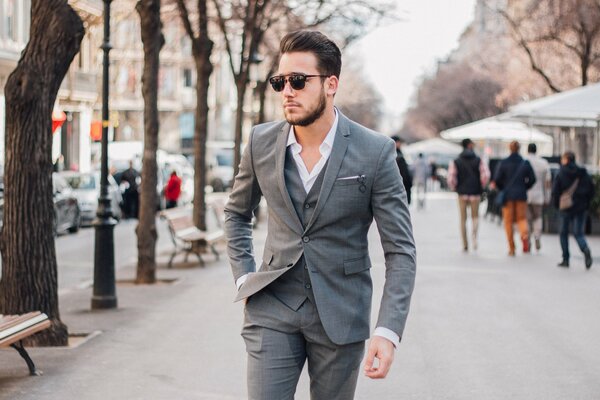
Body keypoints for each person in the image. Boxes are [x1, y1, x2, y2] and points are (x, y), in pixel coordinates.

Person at [224, 30, 416, 400]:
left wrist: (388, 330)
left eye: (298, 81)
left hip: (341, 313)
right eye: (280, 82)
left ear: (331, 84)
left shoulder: (375, 152)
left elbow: (401, 251)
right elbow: (236, 213)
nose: (287, 92)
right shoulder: (261, 142)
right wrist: (244, 277)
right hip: (272, 307)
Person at [491, 141, 536, 256]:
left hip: (508, 196)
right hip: (521, 195)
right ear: (519, 149)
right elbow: (532, 179)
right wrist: (525, 187)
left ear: (510, 149)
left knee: (508, 222)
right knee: (521, 218)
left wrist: (503, 188)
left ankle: (512, 248)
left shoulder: (504, 163)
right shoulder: (524, 163)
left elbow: (497, 180)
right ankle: (524, 235)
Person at [551, 151, 595, 269]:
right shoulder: (583, 172)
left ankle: (566, 259)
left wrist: (556, 205)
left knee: (563, 233)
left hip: (565, 207)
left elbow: (555, 192)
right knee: (578, 233)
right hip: (580, 207)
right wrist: (586, 203)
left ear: (566, 160)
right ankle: (585, 249)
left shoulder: (561, 172)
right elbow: (591, 189)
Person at [447, 138, 490, 251]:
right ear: (470, 145)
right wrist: (481, 185)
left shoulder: (456, 161)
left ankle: (465, 244)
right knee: (475, 217)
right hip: (475, 193)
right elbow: (485, 175)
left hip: (461, 193)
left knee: (463, 219)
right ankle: (474, 237)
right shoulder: (478, 160)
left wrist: (455, 187)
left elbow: (451, 178)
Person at [525, 143, 551, 251]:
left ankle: (528, 240)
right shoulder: (543, 163)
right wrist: (547, 197)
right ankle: (537, 236)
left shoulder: (524, 161)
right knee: (537, 217)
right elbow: (548, 182)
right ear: (536, 150)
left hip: (526, 195)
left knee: (527, 219)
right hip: (539, 195)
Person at [391, 135, 413, 205]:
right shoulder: (396, 155)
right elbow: (403, 172)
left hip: (401, 185)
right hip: (400, 185)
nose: (400, 144)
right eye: (399, 142)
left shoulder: (397, 153)